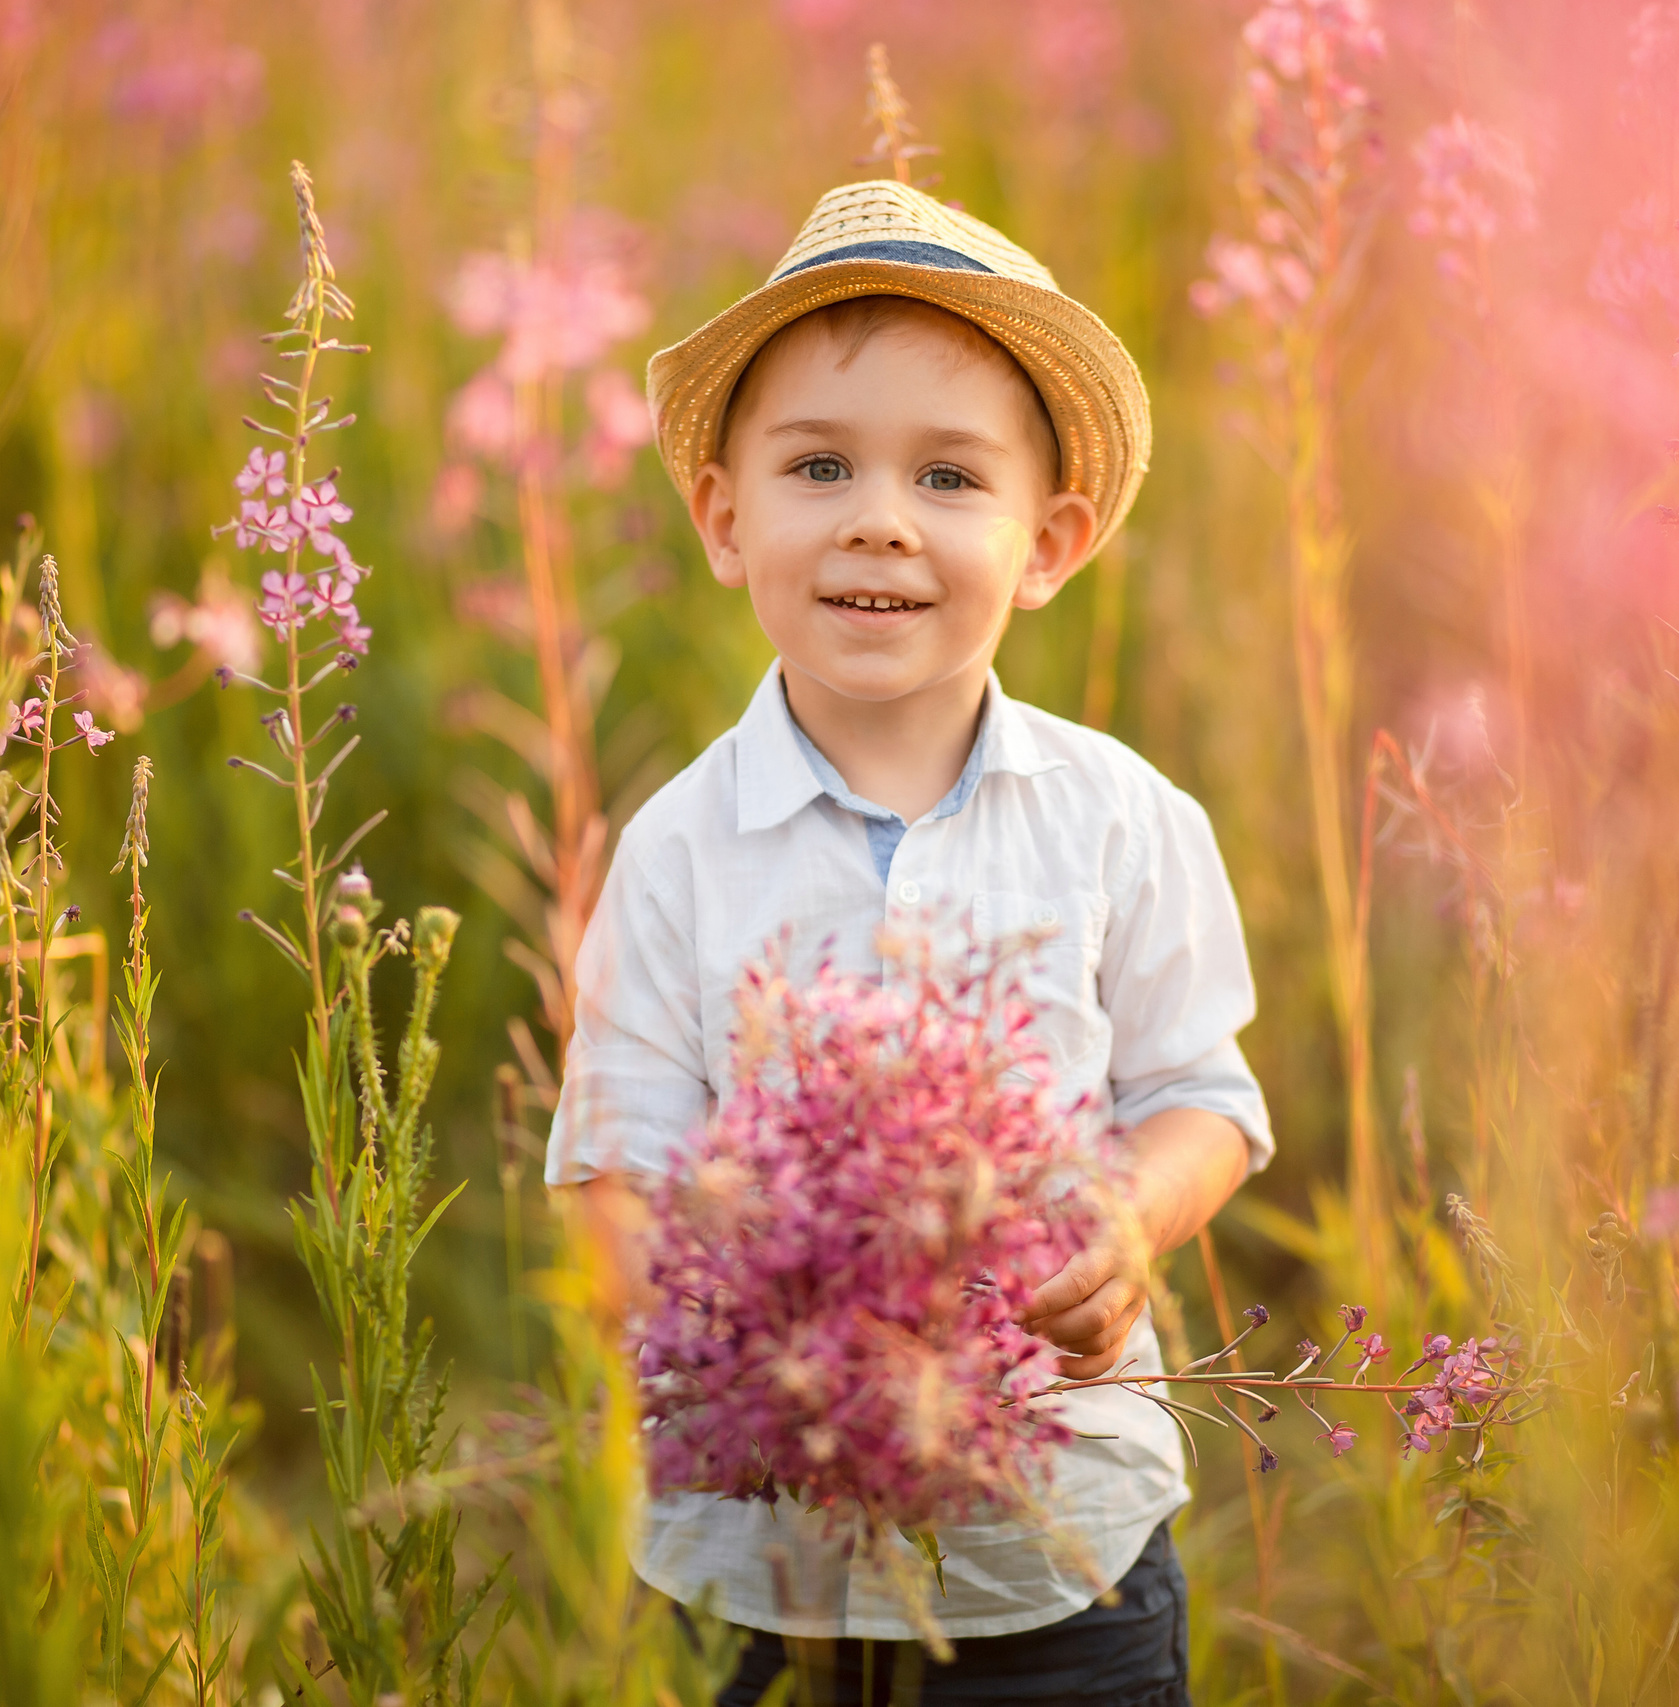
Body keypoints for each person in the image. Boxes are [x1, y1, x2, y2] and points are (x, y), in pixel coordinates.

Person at [546, 176, 1274, 1707]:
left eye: (951, 480)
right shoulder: (675, 850)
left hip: (1060, 1551)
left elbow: (1206, 1098)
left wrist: (1127, 1226)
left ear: (1051, 541)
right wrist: (742, 1302)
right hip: (761, 1562)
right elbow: (613, 1179)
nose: (880, 517)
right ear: (725, 519)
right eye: (820, 465)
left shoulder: (1123, 819)